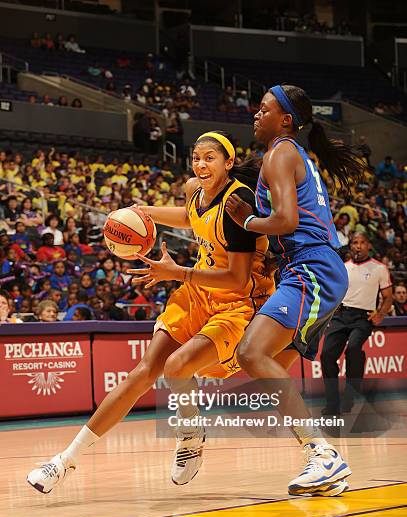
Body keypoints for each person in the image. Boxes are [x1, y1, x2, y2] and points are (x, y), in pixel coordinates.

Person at [26, 130, 275, 494]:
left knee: (177, 367)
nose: (201, 164)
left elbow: (237, 280)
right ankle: (64, 461)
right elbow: (191, 217)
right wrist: (141, 214)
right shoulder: (196, 190)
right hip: (199, 292)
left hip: (238, 303)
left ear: (229, 162)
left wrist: (176, 273)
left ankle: (190, 436)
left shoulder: (239, 202)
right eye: (197, 157)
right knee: (144, 371)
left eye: (210, 158)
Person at [225, 84, 366, 496]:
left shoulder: (281, 152)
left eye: (263, 109)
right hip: (306, 267)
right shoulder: (289, 155)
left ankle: (323, 456)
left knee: (251, 354)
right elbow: (295, 223)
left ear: (285, 119)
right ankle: (322, 463)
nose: (255, 114)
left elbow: (285, 220)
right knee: (264, 364)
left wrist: (249, 221)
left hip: (312, 269)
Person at [321, 233, 393, 414]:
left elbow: (388, 297)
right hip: (340, 316)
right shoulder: (343, 268)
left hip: (363, 318)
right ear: (350, 246)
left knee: (353, 349)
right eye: (355, 243)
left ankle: (350, 396)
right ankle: (332, 405)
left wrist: (381, 314)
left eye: (362, 243)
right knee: (326, 356)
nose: (358, 246)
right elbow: (333, 293)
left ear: (368, 245)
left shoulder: (379, 268)